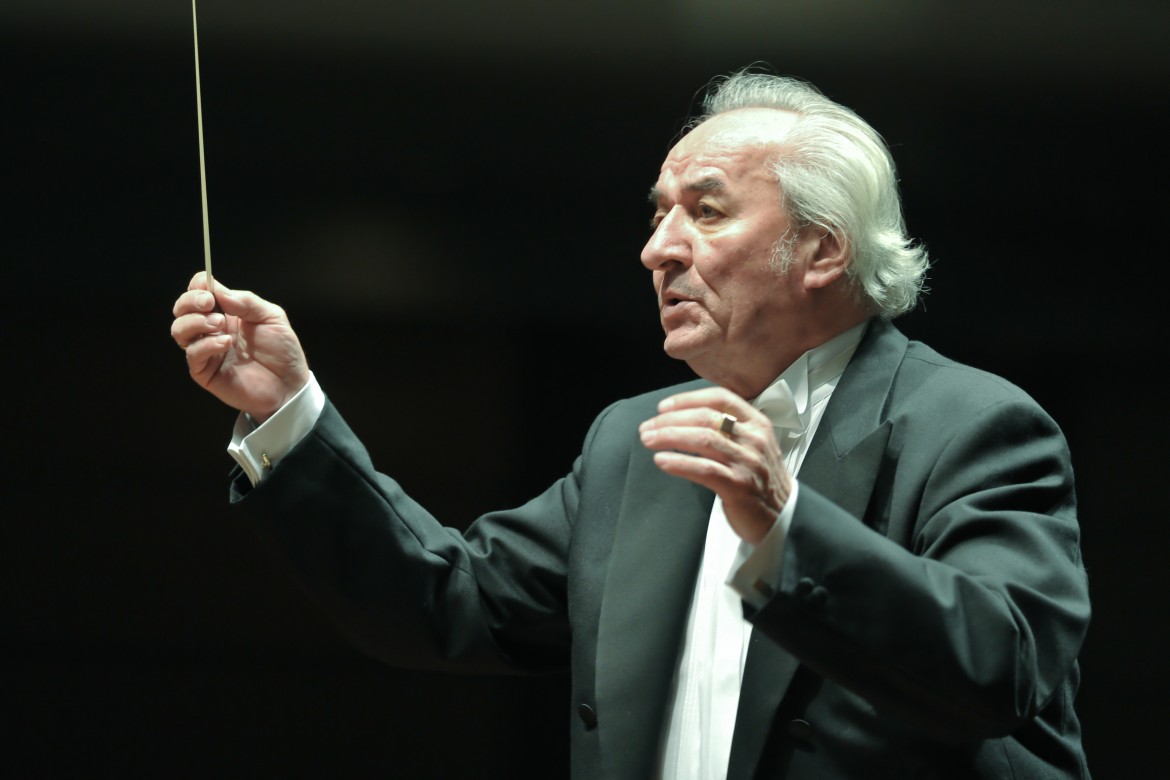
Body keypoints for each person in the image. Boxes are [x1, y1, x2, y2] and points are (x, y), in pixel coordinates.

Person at [171, 68, 1092, 779]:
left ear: (820, 249)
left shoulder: (975, 427)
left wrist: (786, 530)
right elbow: (444, 601)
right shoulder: (634, 443)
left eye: (706, 212)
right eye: (659, 217)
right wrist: (285, 412)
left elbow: (1000, 669)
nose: (657, 249)